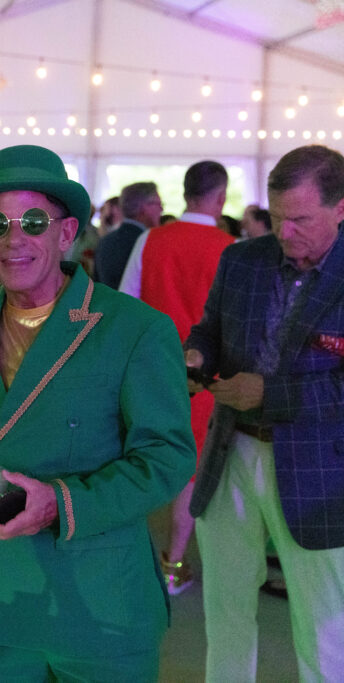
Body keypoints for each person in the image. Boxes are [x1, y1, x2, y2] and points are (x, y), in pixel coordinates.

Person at [0, 144, 195, 681]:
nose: (15, 239)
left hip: (100, 601)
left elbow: (168, 458)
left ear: (66, 232)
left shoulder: (134, 328)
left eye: (34, 221)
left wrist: (59, 504)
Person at [185, 144, 344, 681]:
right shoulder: (241, 258)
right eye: (276, 218)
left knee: (324, 622)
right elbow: (210, 328)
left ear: (341, 208)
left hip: (321, 469)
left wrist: (269, 396)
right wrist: (197, 355)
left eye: (299, 219)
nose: (284, 232)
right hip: (230, 451)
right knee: (225, 607)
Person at [118, 160, 234, 595]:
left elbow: (125, 305)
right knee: (188, 473)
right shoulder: (230, 247)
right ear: (220, 196)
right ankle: (173, 564)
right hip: (204, 379)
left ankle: (124, 557)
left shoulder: (150, 239)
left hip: (148, 371)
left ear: (184, 192)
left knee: (135, 462)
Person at [92, 181, 162, 289]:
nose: (161, 209)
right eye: (158, 204)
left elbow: (95, 284)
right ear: (143, 208)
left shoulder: (105, 241)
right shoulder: (147, 242)